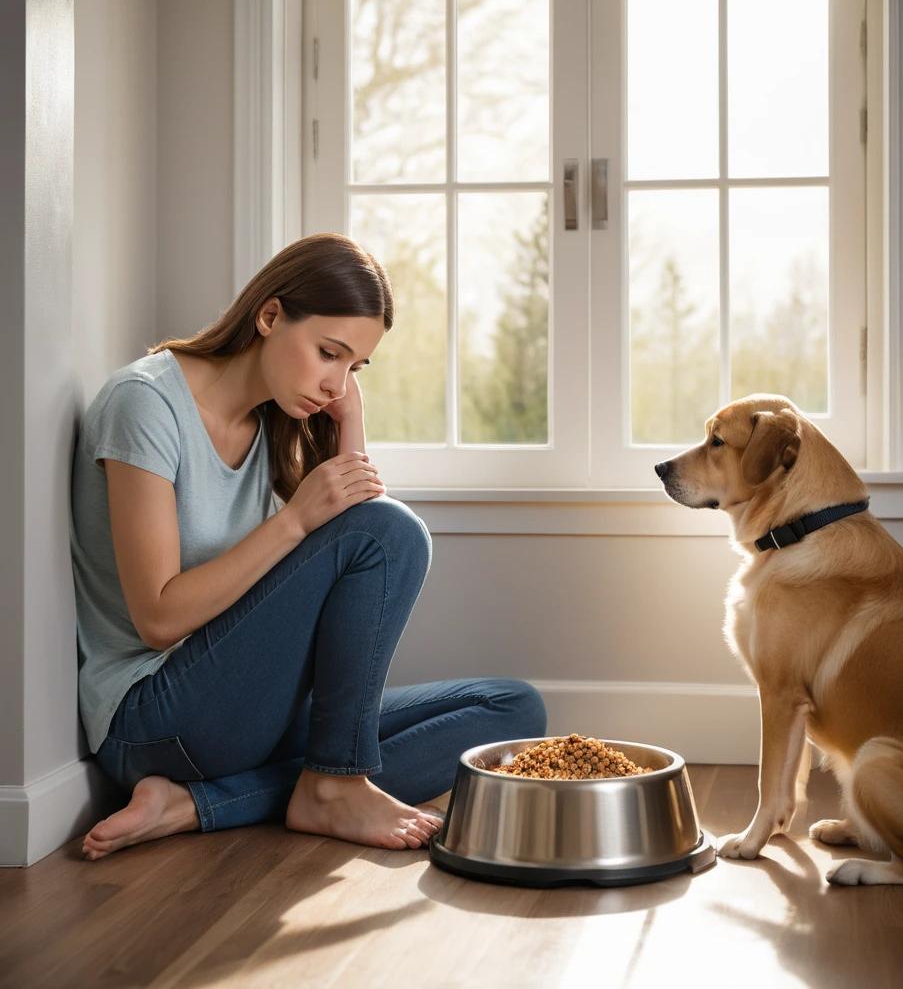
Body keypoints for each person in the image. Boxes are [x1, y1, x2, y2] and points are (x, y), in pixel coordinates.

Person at [71, 232, 547, 861]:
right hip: (155, 719)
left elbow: (359, 553)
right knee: (393, 529)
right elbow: (158, 618)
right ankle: (331, 784)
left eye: (354, 368)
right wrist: (293, 522)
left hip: (251, 711)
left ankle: (209, 803)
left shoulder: (277, 421)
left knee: (512, 711)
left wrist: (350, 424)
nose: (334, 383)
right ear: (270, 316)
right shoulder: (145, 404)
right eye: (329, 353)